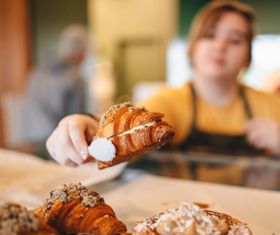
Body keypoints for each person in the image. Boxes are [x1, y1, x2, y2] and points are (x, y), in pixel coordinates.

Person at [46, 1, 280, 167]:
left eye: (235, 39)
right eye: (209, 36)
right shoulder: (172, 101)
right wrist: (88, 125)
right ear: (192, 48)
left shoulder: (271, 105)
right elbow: (134, 122)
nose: (220, 46)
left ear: (248, 55)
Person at [20, 24, 89, 157]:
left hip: (30, 146)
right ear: (82, 54)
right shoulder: (75, 78)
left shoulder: (35, 73)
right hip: (60, 147)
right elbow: (76, 121)